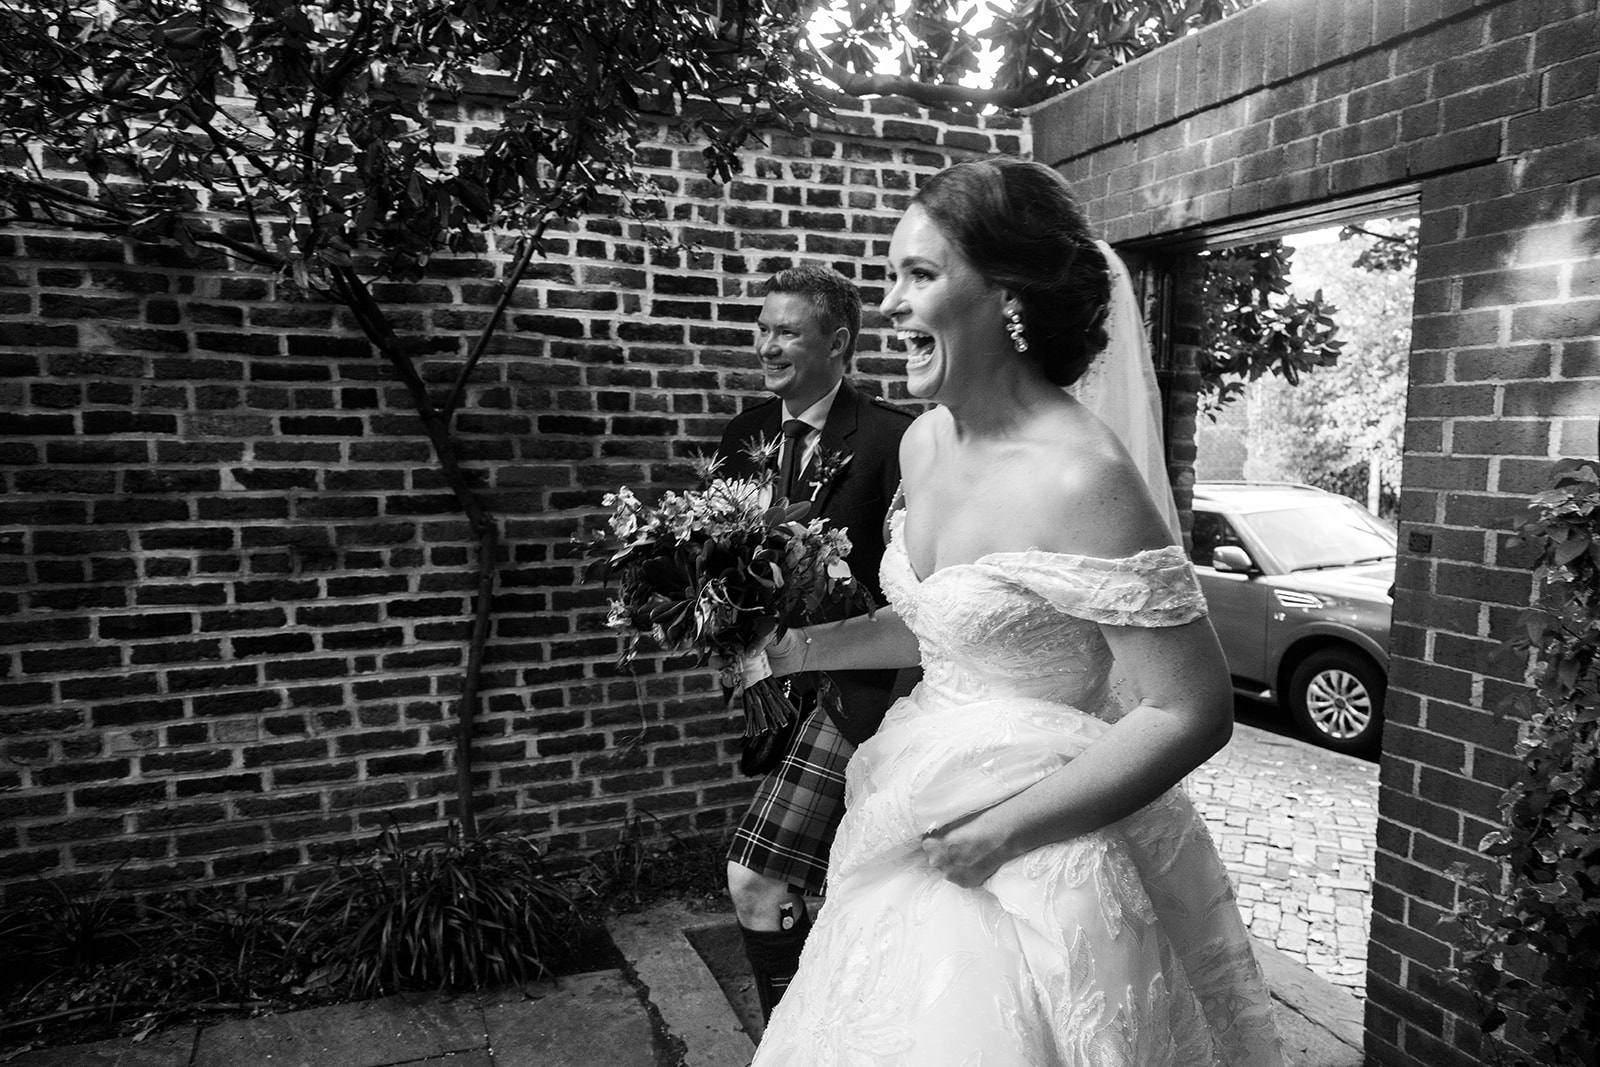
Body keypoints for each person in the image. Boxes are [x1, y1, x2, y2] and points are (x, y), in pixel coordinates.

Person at [749, 160, 1285, 1066]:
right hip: (909, 801)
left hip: (1035, 851)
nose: (890, 304)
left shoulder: (1082, 477)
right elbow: (946, 623)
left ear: (1009, 295)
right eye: (892, 275)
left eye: (919, 275)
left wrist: (1001, 833)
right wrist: (793, 649)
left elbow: (1190, 709)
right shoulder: (923, 443)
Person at [713, 265, 914, 1022]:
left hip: (861, 695)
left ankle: (796, 1034)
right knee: (810, 881)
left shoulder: (895, 438)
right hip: (770, 690)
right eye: (763, 328)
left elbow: (911, 585)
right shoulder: (744, 435)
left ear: (838, 343)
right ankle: (823, 1025)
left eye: (787, 332)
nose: (767, 345)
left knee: (765, 876)